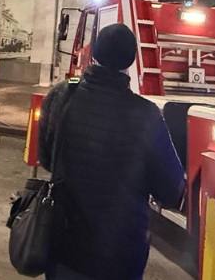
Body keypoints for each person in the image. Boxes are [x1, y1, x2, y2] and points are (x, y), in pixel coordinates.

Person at [37, 24, 185, 280]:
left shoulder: (62, 96)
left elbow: (47, 158)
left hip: (65, 246)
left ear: (94, 53)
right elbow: (171, 191)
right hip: (121, 256)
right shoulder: (147, 115)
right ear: (130, 60)